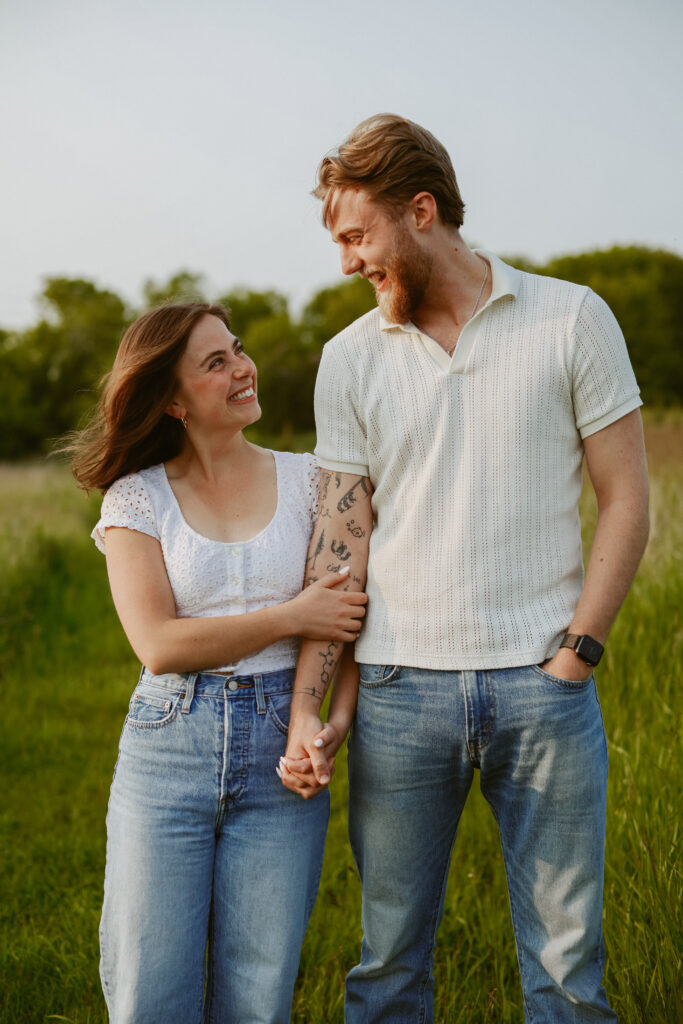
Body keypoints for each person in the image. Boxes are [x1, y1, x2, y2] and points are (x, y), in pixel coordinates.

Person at [279, 114, 650, 1023]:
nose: (345, 261)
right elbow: (341, 541)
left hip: (546, 691)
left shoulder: (570, 317)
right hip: (402, 692)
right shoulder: (348, 359)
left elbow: (628, 500)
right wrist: (316, 702)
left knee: (567, 973)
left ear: (421, 211)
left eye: (355, 235)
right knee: (387, 964)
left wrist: (576, 656)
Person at [70, 302, 367, 1024]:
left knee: (259, 995)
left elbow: (350, 619)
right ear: (170, 399)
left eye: (237, 350)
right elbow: (160, 645)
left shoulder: (315, 482)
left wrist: (333, 722)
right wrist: (288, 617)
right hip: (169, 743)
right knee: (151, 987)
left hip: (280, 746)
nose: (242, 368)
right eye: (215, 362)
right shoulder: (136, 499)